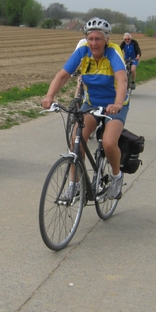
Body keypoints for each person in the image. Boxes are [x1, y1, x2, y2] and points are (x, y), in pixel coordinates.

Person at [41, 17, 129, 201]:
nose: (94, 43)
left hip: (114, 104)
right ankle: (75, 185)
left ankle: (116, 176)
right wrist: (50, 96)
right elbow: (62, 75)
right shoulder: (83, 51)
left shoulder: (113, 52)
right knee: (76, 139)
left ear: (106, 39)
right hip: (92, 103)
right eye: (90, 38)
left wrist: (118, 103)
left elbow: (122, 79)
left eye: (98, 39)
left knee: (109, 143)